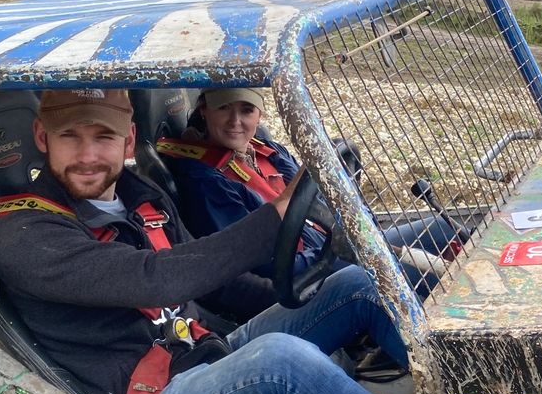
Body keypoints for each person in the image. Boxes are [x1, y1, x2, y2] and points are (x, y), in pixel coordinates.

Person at [0, 88, 424, 394]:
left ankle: (462, 390)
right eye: (70, 137)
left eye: (102, 137)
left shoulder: (140, 198)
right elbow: (159, 278)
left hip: (204, 349)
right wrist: (278, 213)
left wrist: (303, 293)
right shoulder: (27, 236)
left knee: (356, 285)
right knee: (281, 359)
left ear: (127, 138)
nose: (87, 155)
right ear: (43, 138)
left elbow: (218, 287)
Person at [159, 87, 458, 317]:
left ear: (259, 115)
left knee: (442, 230)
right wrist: (332, 252)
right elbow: (258, 261)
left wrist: (357, 232)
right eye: (224, 108)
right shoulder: (203, 179)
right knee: (378, 274)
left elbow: (320, 196)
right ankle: (435, 349)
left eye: (246, 110)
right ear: (205, 110)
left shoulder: (266, 150)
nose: (236, 122)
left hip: (331, 248)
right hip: (303, 277)